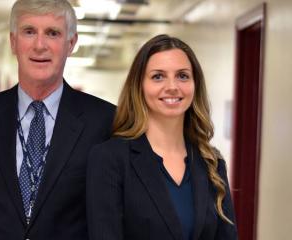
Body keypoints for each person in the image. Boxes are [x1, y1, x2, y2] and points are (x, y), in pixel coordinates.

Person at [0, 0, 115, 239]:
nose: (40, 45)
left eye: (52, 33)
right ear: (13, 41)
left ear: (71, 43)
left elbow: (108, 214)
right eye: (29, 31)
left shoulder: (105, 122)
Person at [86, 34, 238, 240]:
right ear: (139, 86)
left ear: (195, 85)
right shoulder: (110, 159)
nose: (172, 86)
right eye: (158, 76)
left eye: (182, 76)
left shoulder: (212, 161)